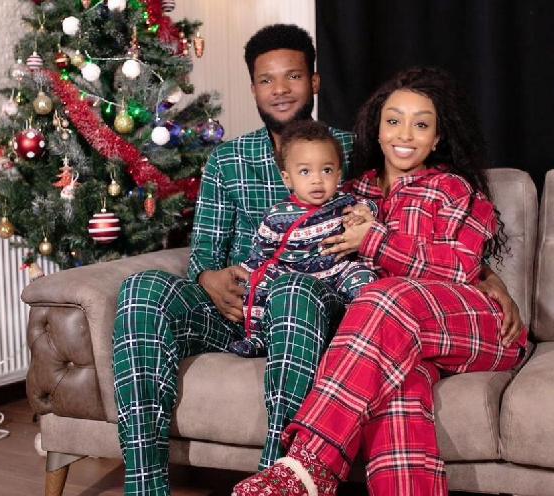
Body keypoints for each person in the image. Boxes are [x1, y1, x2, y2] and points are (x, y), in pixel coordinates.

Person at [231, 66, 528, 496]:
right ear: (377, 127)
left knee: (385, 295)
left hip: (475, 325)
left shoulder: (453, 190)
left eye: (421, 124)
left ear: (438, 137)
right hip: (393, 339)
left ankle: (309, 465)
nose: (404, 134)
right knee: (397, 393)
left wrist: (374, 239)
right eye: (393, 120)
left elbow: (460, 268)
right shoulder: (348, 193)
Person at [113, 24, 355, 495]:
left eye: (293, 76)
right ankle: (144, 486)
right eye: (267, 80)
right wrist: (207, 276)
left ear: (315, 82)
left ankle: (277, 481)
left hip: (312, 308)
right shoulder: (227, 160)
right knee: (141, 290)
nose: (280, 90)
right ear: (253, 88)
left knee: (292, 291)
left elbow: (396, 212)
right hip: (237, 313)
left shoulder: (351, 147)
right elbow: (202, 253)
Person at [229, 120, 377, 358]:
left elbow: (367, 207)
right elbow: (261, 253)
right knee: (260, 282)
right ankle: (258, 336)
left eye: (326, 170)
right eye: (305, 171)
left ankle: (355, 332)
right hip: (294, 276)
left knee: (364, 277)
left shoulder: (344, 203)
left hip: (336, 270)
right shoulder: (277, 216)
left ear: (338, 174)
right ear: (288, 178)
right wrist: (249, 275)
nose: (317, 180)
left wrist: (362, 214)